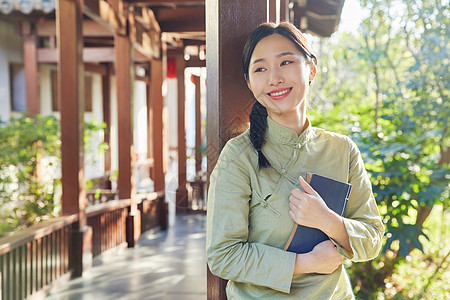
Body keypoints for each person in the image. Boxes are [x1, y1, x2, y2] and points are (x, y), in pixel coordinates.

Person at [206, 22, 384, 299]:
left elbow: (372, 237)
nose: (274, 78)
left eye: (285, 62)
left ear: (311, 68)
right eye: (260, 69)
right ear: (249, 82)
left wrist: (329, 221)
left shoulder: (342, 150)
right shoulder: (238, 156)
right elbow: (223, 256)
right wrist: (306, 263)